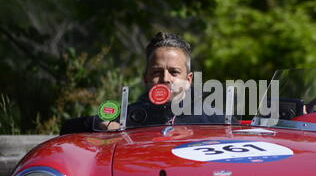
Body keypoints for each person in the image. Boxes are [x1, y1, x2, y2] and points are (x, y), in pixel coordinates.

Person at [60, 32, 222, 135]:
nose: (165, 79)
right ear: (145, 78)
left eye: (174, 72)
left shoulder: (213, 118)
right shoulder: (128, 116)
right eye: (156, 72)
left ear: (188, 80)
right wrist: (99, 124)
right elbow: (67, 128)